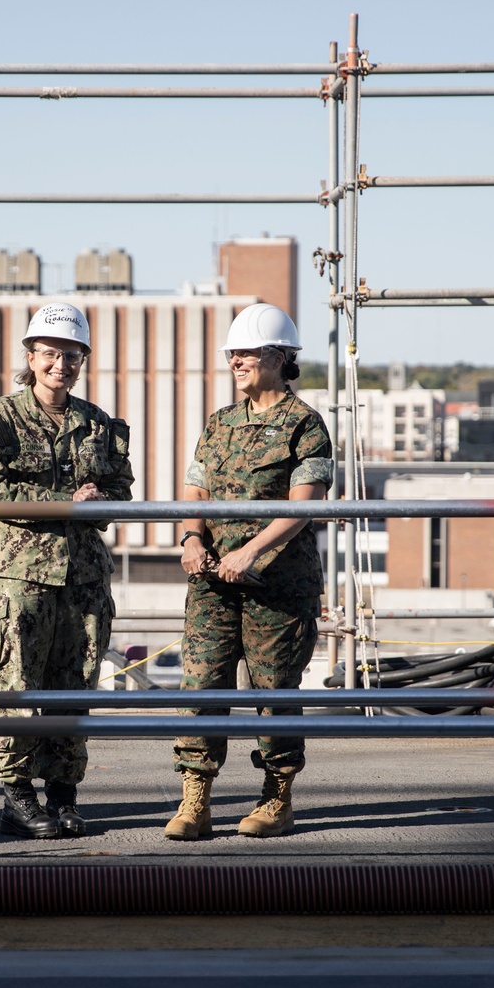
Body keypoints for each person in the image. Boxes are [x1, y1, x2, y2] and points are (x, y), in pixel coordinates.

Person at [167, 303, 332, 842]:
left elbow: (304, 505)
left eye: (246, 351)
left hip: (277, 587)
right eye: (232, 353)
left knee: (274, 690)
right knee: (202, 686)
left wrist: (251, 553)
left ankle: (277, 798)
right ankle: (196, 801)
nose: (235, 360)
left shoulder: (305, 425)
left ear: (280, 358)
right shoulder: (219, 423)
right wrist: (192, 536)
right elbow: (195, 490)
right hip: (212, 581)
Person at [0, 303, 133, 840]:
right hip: (18, 575)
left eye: (71, 355)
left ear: (83, 360)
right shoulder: (3, 417)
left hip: (83, 578)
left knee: (74, 687)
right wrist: (69, 500)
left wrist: (97, 500)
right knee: (18, 687)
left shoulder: (98, 423)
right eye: (49, 354)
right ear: (30, 357)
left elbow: (118, 493)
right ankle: (17, 799)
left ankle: (64, 797)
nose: (60, 365)